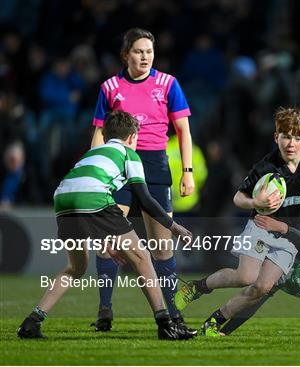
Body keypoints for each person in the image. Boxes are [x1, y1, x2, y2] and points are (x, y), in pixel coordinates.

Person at [175, 107, 300, 334]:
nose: (291, 143)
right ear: (276, 137)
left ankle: (215, 322)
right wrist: (255, 203)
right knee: (246, 276)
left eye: (297, 138)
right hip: (260, 226)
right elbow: (238, 197)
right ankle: (197, 287)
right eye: (286, 136)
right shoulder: (266, 166)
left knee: (262, 286)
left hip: (288, 236)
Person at [17, 111, 194, 340]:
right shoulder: (128, 154)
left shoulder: (92, 153)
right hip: (92, 198)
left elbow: (83, 192)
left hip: (63, 200)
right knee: (142, 257)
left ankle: (32, 321)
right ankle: (165, 323)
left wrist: (106, 239)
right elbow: (145, 199)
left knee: (76, 268)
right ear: (131, 137)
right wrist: (174, 227)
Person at [89, 28, 195, 332]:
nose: (145, 56)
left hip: (155, 167)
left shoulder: (168, 84)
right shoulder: (110, 86)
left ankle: (173, 313)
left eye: (149, 51)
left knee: (162, 247)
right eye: (138, 51)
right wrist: (96, 168)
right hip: (119, 163)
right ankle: (105, 310)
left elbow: (183, 131)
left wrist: (187, 173)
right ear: (126, 55)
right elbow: (99, 131)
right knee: (108, 242)